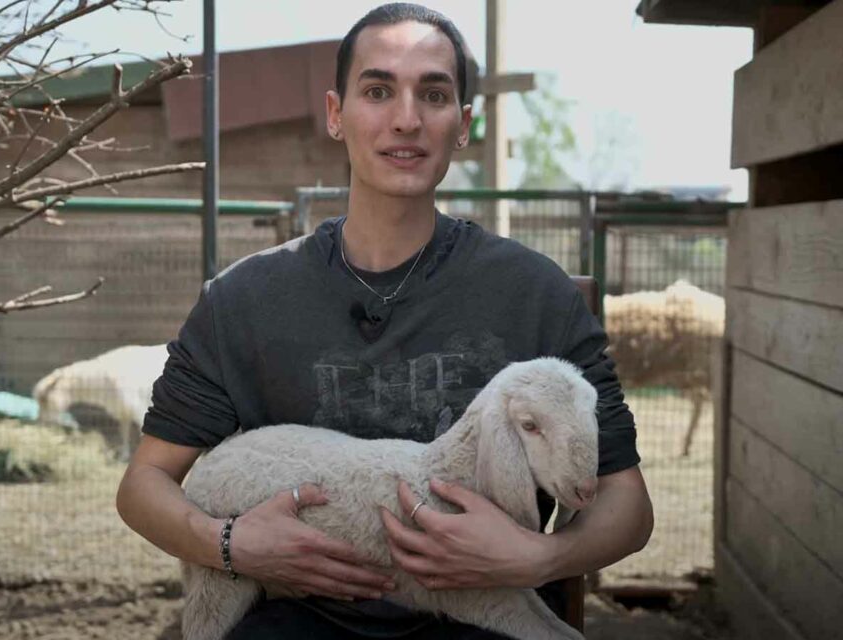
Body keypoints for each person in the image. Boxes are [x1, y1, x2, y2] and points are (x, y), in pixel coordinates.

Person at [116, 3, 653, 638]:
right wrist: (229, 544)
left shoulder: (536, 293)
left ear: (463, 124)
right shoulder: (242, 298)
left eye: (433, 93)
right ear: (336, 114)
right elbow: (144, 484)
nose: (406, 118)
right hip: (289, 618)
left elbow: (629, 505)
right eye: (378, 90)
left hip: (479, 616)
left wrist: (539, 557)